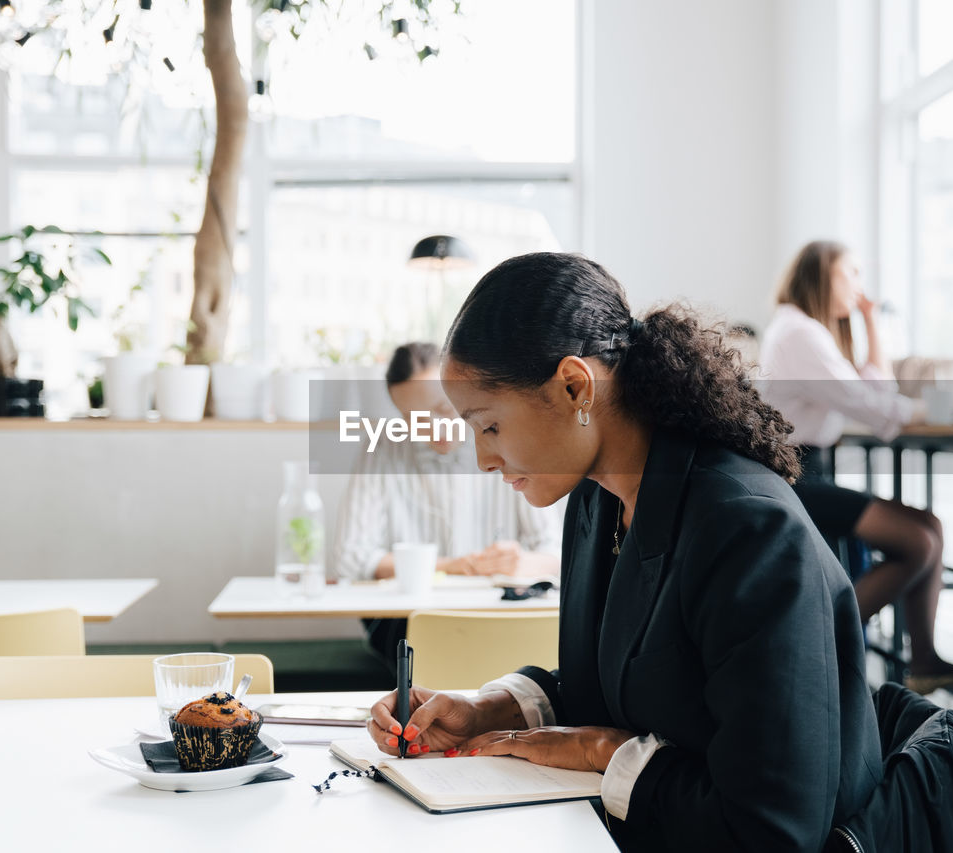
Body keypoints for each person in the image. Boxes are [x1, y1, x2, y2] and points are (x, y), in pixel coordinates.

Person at [364, 253, 882, 852]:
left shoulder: (747, 531)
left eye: (489, 426)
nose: (482, 459)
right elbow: (623, 683)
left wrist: (601, 751)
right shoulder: (597, 500)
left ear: (574, 386)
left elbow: (774, 827)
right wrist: (490, 708)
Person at [759, 239, 953, 694]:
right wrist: (925, 411)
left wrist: (870, 322)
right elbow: (869, 406)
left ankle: (925, 661)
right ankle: (817, 633)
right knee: (918, 541)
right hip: (791, 478)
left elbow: (870, 390)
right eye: (850, 274)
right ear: (823, 277)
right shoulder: (800, 332)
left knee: (929, 526)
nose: (858, 285)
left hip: (806, 470)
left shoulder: (806, 330)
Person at [330, 342, 561, 664]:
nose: (434, 429)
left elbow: (556, 553)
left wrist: (519, 561)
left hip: (498, 619)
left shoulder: (510, 442)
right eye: (414, 418)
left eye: (442, 409)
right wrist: (454, 567)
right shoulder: (383, 450)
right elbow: (350, 559)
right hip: (408, 625)